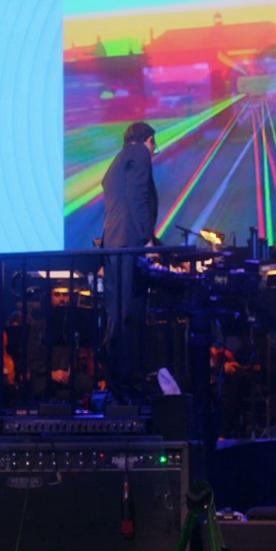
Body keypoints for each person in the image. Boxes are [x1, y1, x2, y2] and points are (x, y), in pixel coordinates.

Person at [100, 121, 158, 395]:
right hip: (130, 242)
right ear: (146, 139)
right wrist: (147, 237)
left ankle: (119, 378)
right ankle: (126, 377)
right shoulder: (138, 153)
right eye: (153, 143)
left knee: (119, 310)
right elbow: (137, 196)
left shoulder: (119, 159)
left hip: (115, 242)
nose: (155, 150)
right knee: (128, 312)